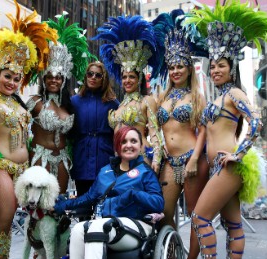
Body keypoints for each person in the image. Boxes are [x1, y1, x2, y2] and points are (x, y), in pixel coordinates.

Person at [186, 1, 267, 257]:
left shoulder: (235, 93)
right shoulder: (218, 97)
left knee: (199, 218)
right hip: (219, 166)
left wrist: (238, 154)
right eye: (214, 65)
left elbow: (257, 121)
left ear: (232, 68)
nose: (216, 70)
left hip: (228, 165)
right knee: (233, 224)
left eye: (222, 66)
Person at [0, 2, 57, 257]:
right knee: (5, 218)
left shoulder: (20, 104)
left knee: (27, 220)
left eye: (16, 78)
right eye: (7, 76)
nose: (11, 82)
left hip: (24, 169)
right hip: (2, 168)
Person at [53, 126, 164, 259]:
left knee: (97, 227)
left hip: (137, 225)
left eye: (133, 141)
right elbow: (89, 197)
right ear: (117, 146)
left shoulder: (146, 172)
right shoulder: (105, 172)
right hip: (107, 223)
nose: (129, 145)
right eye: (124, 141)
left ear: (140, 146)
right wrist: (64, 205)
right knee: (78, 229)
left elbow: (158, 203)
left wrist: (133, 194)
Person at [152, 10, 209, 259]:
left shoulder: (196, 96)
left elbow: (204, 128)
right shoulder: (162, 97)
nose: (175, 71)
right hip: (168, 162)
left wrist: (196, 158)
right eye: (172, 67)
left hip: (192, 158)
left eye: (180, 66)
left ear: (188, 68)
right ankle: (175, 252)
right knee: (163, 213)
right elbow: (152, 127)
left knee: (196, 215)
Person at [27, 13, 94, 194]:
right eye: (50, 77)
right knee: (38, 204)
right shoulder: (35, 102)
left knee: (58, 203)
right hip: (40, 156)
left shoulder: (70, 105)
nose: (54, 81)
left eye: (58, 77)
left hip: (63, 158)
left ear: (64, 80)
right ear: (44, 79)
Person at [93, 15, 164, 173]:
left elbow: (155, 133)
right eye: (124, 77)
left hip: (140, 158)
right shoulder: (120, 105)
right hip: (119, 160)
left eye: (131, 76)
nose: (127, 80)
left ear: (139, 79)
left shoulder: (147, 101)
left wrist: (157, 161)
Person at [71, 61, 119, 198]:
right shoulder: (74, 101)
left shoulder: (112, 103)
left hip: (104, 155)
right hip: (82, 156)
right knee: (82, 201)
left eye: (98, 75)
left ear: (103, 79)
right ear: (85, 77)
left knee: (104, 202)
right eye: (90, 74)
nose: (93, 77)